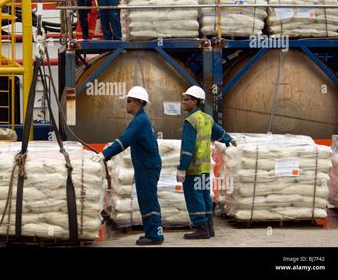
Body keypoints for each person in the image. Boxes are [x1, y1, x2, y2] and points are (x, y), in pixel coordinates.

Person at [94, 86, 164, 245]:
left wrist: (104, 154)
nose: (127, 103)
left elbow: (125, 140)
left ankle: (155, 235)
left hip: (147, 166)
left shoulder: (140, 121)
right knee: (146, 200)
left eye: (130, 100)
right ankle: (151, 232)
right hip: (145, 166)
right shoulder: (141, 119)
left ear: (139, 102)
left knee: (149, 200)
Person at [177, 86, 237, 239]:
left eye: (187, 99)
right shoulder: (207, 119)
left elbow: (187, 148)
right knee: (205, 197)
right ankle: (209, 228)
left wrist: (182, 168)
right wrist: (229, 139)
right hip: (204, 169)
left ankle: (201, 229)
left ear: (196, 102)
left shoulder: (190, 121)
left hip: (192, 169)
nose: (184, 102)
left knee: (194, 198)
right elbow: (219, 132)